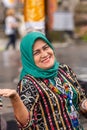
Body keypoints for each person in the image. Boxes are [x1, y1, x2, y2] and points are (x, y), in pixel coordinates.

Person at [0, 31, 87, 130]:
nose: (44, 54)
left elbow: (80, 101)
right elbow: (25, 123)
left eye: (46, 48)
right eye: (36, 53)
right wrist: (15, 98)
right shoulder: (28, 83)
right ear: (29, 58)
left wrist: (84, 105)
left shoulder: (64, 69)